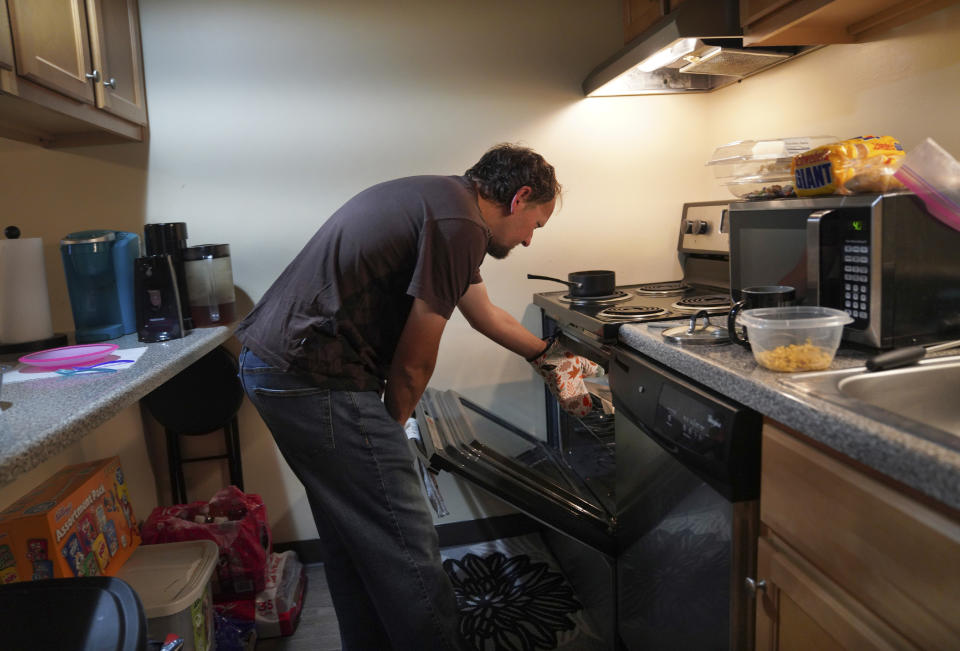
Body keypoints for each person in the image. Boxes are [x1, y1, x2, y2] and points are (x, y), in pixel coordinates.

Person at [235, 143, 602, 650]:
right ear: (519, 199)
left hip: (281, 369)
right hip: (313, 378)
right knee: (405, 543)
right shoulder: (459, 225)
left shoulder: (443, 203)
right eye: (535, 225)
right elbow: (414, 361)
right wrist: (392, 433)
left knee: (356, 536)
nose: (529, 242)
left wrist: (550, 358)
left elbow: (483, 312)